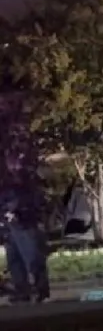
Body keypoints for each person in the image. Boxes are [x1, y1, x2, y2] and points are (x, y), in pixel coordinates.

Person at [0, 89, 51, 304]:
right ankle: (23, 289)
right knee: (13, 247)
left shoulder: (17, 135)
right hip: (7, 194)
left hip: (18, 196)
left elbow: (21, 167)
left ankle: (39, 288)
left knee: (26, 244)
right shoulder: (9, 135)